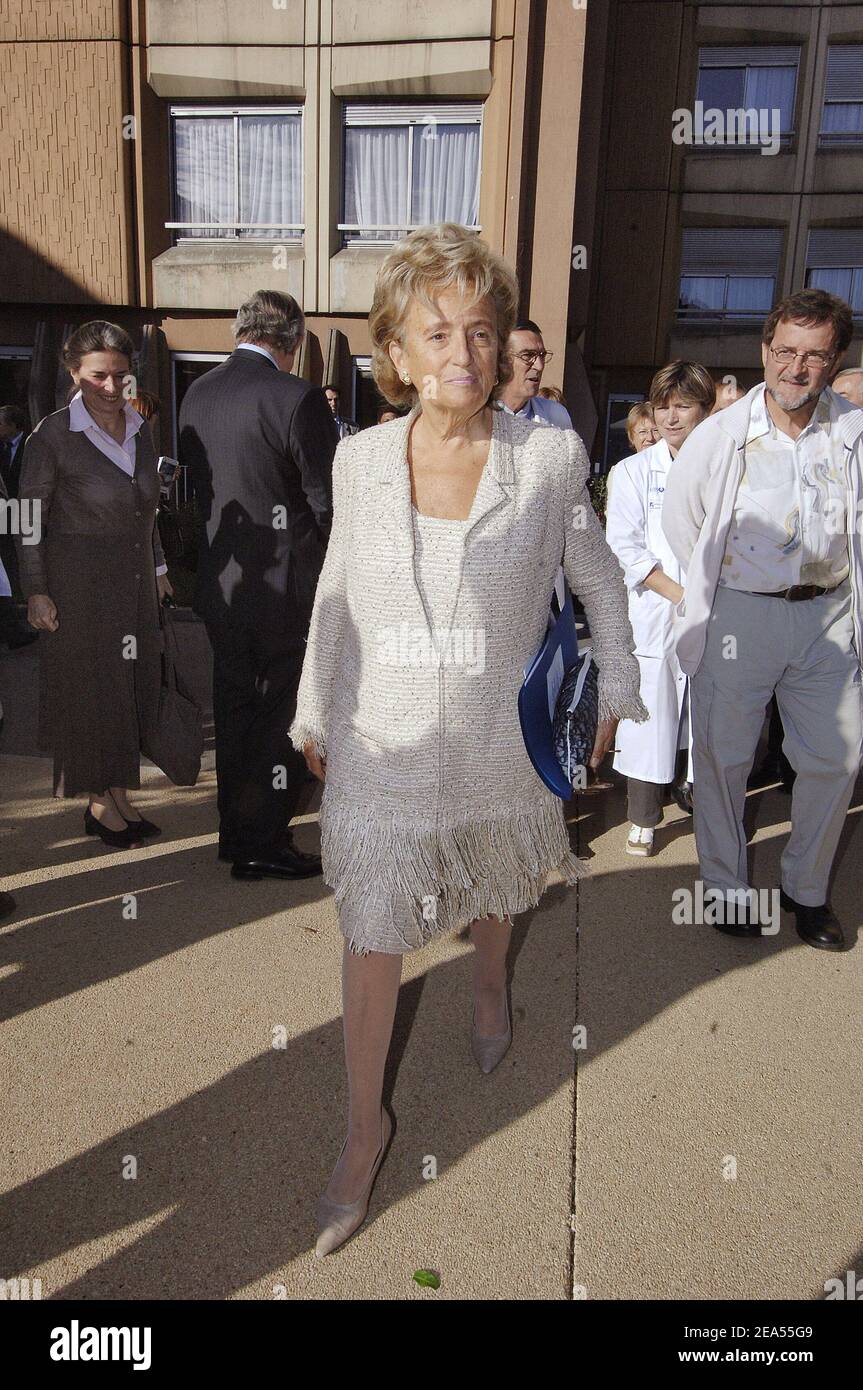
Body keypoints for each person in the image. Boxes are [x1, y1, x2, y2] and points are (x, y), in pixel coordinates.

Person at [288, 221, 646, 1257]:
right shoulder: (357, 461)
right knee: (371, 928)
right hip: (381, 744)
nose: (462, 352)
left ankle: (488, 984)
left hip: (501, 735)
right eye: (435, 332)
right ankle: (364, 1131)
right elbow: (336, 594)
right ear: (393, 355)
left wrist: (612, 687)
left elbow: (598, 581)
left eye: (481, 332)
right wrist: (314, 709)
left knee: (497, 885)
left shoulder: (547, 458)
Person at [663, 289, 863, 949]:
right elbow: (683, 525)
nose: (795, 368)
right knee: (722, 757)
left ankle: (805, 892)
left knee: (836, 758)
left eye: (814, 355)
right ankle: (723, 888)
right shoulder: (719, 437)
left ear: (834, 360)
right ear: (763, 353)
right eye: (784, 351)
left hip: (828, 617)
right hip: (738, 618)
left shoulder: (854, 434)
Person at [180, 289, 338, 880]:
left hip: (222, 586)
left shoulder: (197, 392)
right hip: (286, 589)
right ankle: (263, 843)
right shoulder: (294, 396)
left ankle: (235, 832)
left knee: (235, 709)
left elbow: (198, 494)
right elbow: (328, 503)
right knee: (280, 716)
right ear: (293, 340)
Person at [16, 321, 172, 846]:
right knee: (91, 692)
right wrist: (36, 590)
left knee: (128, 688)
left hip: (129, 581)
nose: (110, 387)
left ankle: (119, 790)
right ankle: (99, 802)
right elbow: (26, 519)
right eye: (98, 376)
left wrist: (157, 569)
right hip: (75, 585)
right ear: (74, 373)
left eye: (120, 376)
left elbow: (145, 510)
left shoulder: (139, 428)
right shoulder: (52, 435)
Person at [605, 362, 715, 856]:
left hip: (717, 610)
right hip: (657, 611)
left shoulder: (726, 464)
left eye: (684, 406)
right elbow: (627, 549)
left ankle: (697, 796)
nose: (671, 418)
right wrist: (682, 597)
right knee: (650, 714)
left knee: (708, 710)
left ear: (705, 410)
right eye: (663, 406)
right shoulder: (631, 472)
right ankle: (644, 817)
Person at [0, 404, 36, 649]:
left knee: (24, 555)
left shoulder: (32, 445)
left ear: (13, 425)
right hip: (4, 513)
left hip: (25, 509)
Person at [495, 319, 573, 427]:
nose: (539, 366)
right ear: (501, 360)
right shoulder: (474, 415)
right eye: (528, 355)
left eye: (542, 355)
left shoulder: (556, 416)